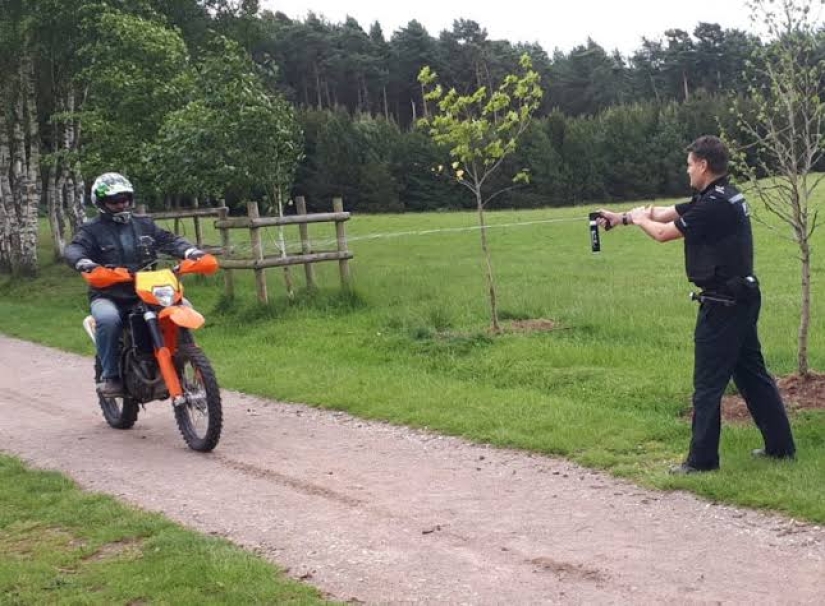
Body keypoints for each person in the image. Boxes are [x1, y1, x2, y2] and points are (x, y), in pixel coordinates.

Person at [598, 135, 796, 474]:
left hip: (724, 303)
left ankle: (702, 462)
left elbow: (662, 232)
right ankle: (780, 447)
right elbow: (663, 212)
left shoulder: (715, 204)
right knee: (752, 375)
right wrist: (623, 218)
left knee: (707, 384)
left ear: (703, 165)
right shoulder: (719, 195)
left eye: (689, 163)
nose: (686, 169)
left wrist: (641, 221)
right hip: (741, 297)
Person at [64, 172, 205, 398]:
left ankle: (192, 364)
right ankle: (110, 376)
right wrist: (83, 261)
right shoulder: (91, 230)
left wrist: (190, 251)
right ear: (101, 203)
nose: (122, 204)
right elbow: (74, 248)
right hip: (109, 294)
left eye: (126, 198)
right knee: (108, 319)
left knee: (184, 304)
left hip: (148, 291)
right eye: (115, 200)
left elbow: (168, 240)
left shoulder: (144, 224)